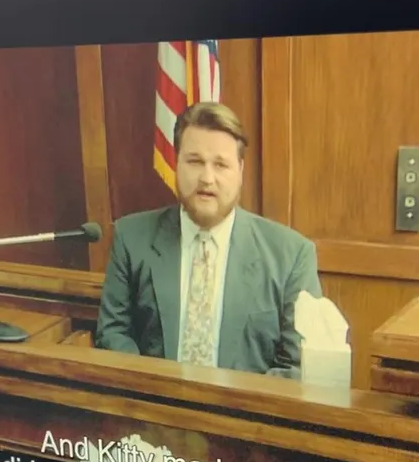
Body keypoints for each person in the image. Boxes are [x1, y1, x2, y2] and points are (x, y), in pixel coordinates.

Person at [94, 101, 323, 379]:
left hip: (246, 406)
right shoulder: (131, 238)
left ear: (240, 171)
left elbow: (297, 364)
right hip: (151, 401)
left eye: (221, 165)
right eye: (195, 162)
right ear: (176, 164)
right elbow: (113, 333)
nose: (207, 178)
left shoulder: (291, 256)